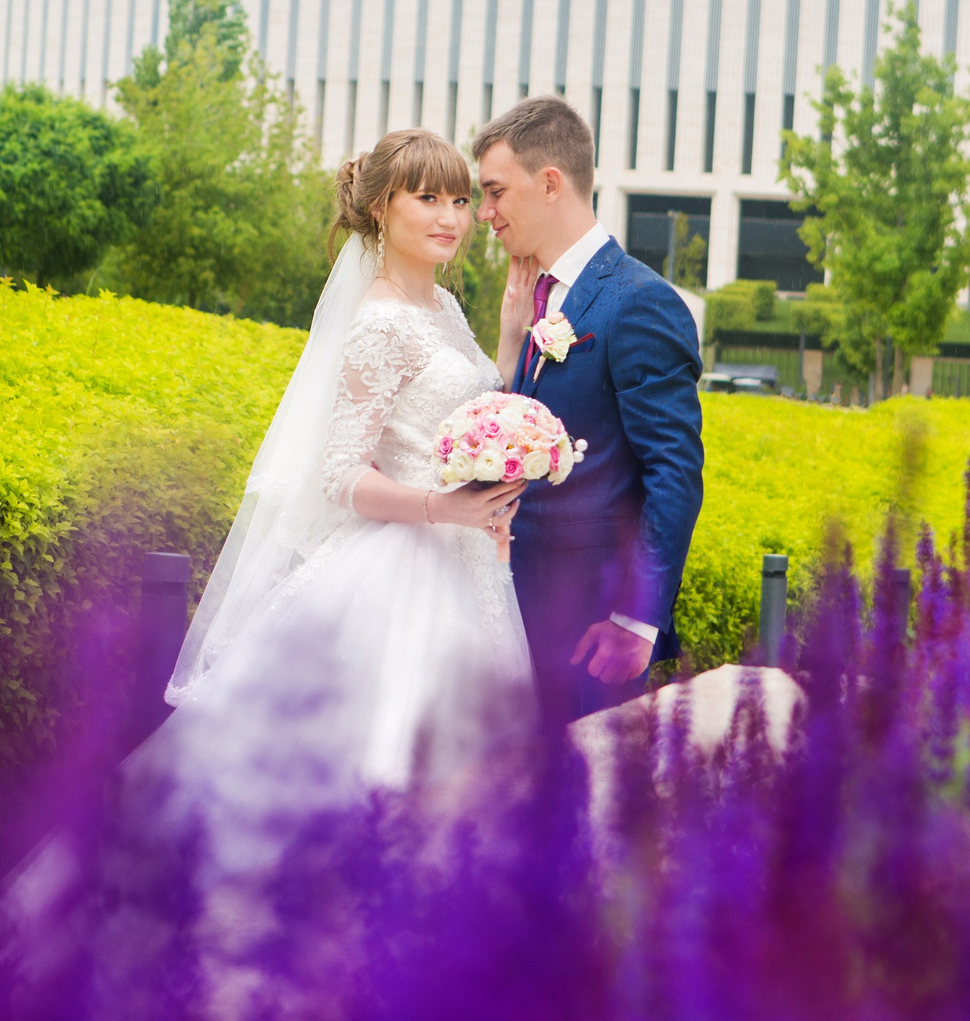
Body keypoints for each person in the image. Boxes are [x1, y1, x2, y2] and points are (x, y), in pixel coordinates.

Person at [158, 127, 535, 816]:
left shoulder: (444, 307)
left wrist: (509, 339)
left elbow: (461, 421)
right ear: (384, 207)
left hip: (470, 560)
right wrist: (444, 507)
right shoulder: (380, 321)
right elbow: (339, 475)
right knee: (386, 768)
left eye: (458, 198)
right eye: (428, 198)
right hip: (400, 570)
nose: (452, 217)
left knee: (468, 778)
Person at [474, 97, 707, 721]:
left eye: (495, 192)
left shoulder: (640, 303)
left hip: (586, 627)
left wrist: (636, 620)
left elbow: (674, 473)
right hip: (513, 607)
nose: (483, 213)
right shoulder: (536, 297)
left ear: (550, 183)